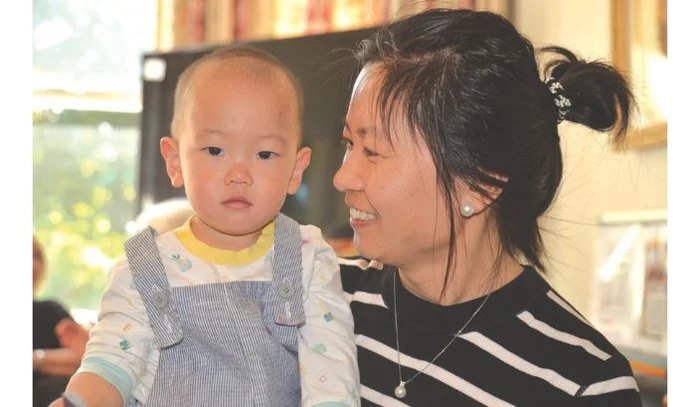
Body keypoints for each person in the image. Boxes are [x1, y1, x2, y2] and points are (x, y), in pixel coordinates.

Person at [336, 8, 642, 406]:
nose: (343, 177)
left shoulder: (582, 381)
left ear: (482, 185)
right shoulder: (321, 298)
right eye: (349, 143)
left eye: (373, 151)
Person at [55, 45, 359, 407]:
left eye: (264, 154)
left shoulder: (309, 260)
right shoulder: (142, 271)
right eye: (215, 150)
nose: (239, 174)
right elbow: (109, 367)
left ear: (295, 169)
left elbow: (332, 382)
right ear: (175, 162)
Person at [33, 235, 90, 407]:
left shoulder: (50, 311)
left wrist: (34, 358)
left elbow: (84, 359)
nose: (34, 265)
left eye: (36, 257)